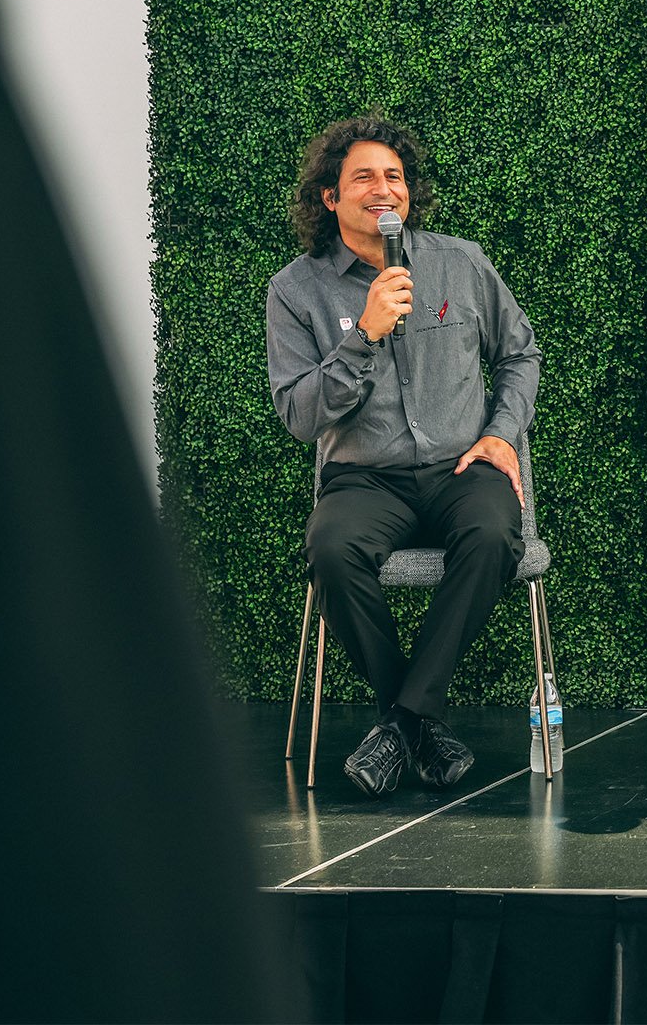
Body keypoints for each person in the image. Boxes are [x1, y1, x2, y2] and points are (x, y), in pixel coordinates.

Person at [266, 115, 541, 797]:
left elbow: (519, 354)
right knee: (331, 551)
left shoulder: (462, 262)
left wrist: (501, 432)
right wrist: (362, 335)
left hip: (460, 468)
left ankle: (398, 725)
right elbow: (300, 415)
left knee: (493, 531)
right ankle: (416, 724)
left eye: (394, 176)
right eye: (363, 177)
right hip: (364, 480)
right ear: (331, 197)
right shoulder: (295, 290)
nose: (383, 189)